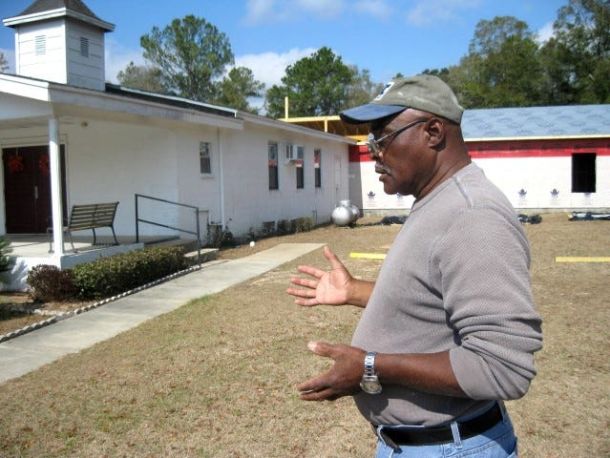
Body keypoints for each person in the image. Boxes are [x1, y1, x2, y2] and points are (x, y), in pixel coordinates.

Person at [286, 74, 543, 457]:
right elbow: (435, 298)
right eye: (369, 143)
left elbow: (503, 368)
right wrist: (355, 291)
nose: (373, 153)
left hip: (451, 448)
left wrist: (370, 367)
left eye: (382, 139)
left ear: (433, 132)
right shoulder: (437, 200)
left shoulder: (473, 216)